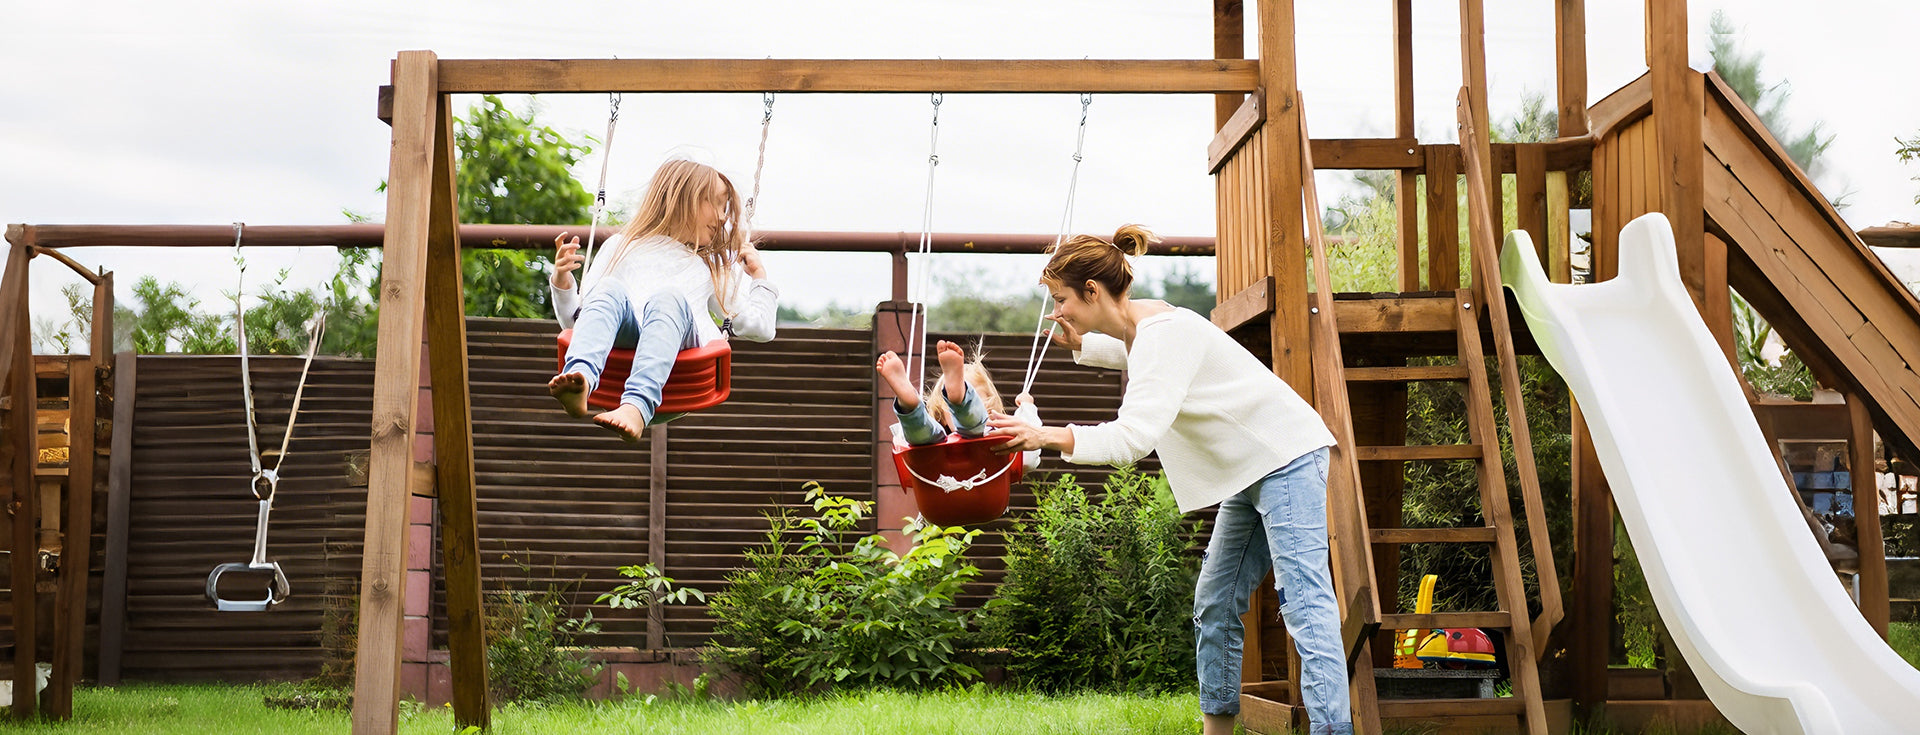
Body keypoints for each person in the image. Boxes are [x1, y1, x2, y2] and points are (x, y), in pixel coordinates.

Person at [985, 225, 1350, 735]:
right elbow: (1133, 348)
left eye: (1061, 299)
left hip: (1284, 457)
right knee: (1216, 602)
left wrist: (1046, 435)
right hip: (1248, 471)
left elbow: (1132, 438)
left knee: (1306, 606)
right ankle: (1219, 729)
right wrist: (1082, 344)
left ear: (1092, 291)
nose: (1058, 311)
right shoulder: (1147, 321)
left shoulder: (1163, 334)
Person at [547, 159, 779, 442]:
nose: (722, 218)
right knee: (607, 289)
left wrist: (760, 279)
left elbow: (761, 328)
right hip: (621, 352)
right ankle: (580, 379)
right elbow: (579, 321)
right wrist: (562, 282)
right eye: (716, 204)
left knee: (667, 299)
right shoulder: (620, 247)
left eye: (725, 209)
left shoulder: (710, 268)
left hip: (681, 367)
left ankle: (636, 407)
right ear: (683, 199)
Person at [876, 339, 1041, 472]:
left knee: (921, 435)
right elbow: (1030, 457)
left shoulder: (1000, 441)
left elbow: (1029, 442)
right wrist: (1028, 409)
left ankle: (910, 409)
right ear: (941, 416)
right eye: (951, 407)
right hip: (986, 497)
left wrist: (1027, 407)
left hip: (935, 490)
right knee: (927, 439)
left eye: (975, 397)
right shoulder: (939, 440)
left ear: (989, 408)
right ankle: (914, 405)